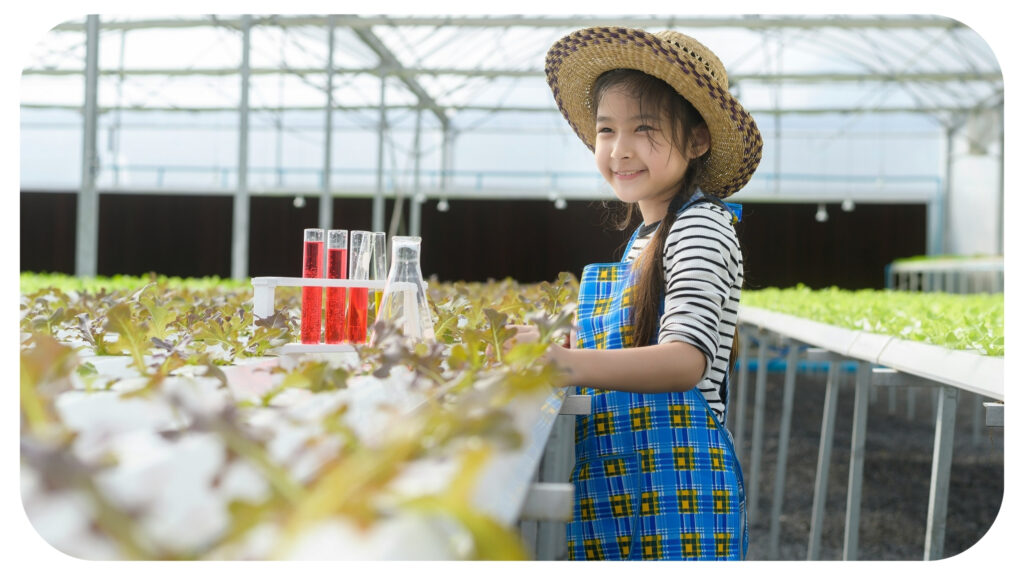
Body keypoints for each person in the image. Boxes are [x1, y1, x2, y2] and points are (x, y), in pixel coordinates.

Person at [519, 27, 763, 560]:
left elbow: (684, 362)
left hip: (678, 491)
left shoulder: (701, 227)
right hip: (629, 483)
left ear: (698, 140)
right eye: (606, 130)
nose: (619, 149)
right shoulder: (646, 238)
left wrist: (564, 362)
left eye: (644, 128)